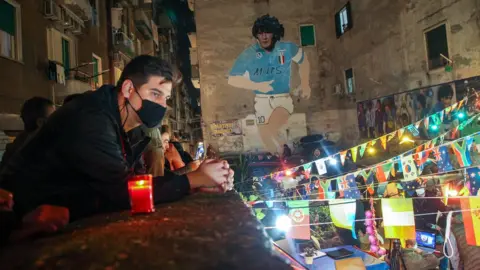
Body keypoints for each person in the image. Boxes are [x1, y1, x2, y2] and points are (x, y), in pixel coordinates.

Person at [0, 55, 233, 224]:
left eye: (166, 98)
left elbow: (140, 183)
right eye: (155, 94)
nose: (162, 105)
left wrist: (200, 181)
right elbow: (122, 191)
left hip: (67, 211)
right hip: (19, 218)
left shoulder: (130, 126)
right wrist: (192, 179)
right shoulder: (91, 118)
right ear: (129, 88)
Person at [227, 15, 311, 153]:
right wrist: (257, 86)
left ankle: (285, 150)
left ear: (275, 33)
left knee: (271, 128)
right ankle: (281, 157)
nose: (264, 36)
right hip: (261, 101)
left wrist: (306, 84)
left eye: (267, 32)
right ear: (256, 35)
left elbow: (304, 61)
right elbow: (232, 79)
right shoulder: (249, 54)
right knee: (266, 139)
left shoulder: (287, 48)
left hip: (282, 99)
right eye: (260, 33)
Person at [0, 97, 55, 173]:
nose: (56, 122)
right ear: (40, 122)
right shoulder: (39, 152)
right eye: (53, 118)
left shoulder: (16, 146)